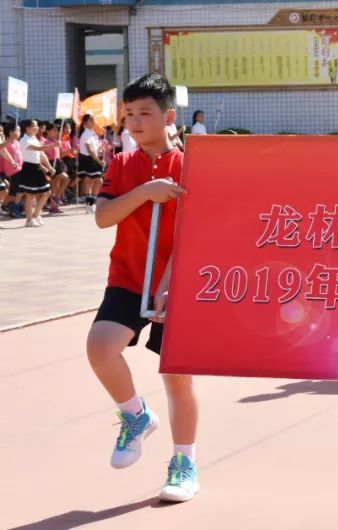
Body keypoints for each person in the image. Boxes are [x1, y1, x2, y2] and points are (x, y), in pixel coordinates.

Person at [86, 73, 198, 503]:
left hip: (176, 284)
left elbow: (192, 232)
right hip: (129, 277)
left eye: (144, 113)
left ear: (169, 116)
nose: (134, 121)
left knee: (177, 377)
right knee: (100, 346)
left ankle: (184, 462)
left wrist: (169, 286)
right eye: (128, 114)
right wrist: (147, 192)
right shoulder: (121, 164)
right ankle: (135, 415)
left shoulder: (190, 164)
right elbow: (103, 217)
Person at [18, 119, 53, 228]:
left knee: (46, 192)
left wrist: (49, 167)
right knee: (30, 195)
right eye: (34, 126)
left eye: (37, 125)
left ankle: (36, 215)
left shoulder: (34, 139)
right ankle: (29, 220)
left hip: (37, 168)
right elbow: (39, 149)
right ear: (27, 128)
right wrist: (53, 146)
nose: (36, 127)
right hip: (28, 168)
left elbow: (42, 154)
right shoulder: (24, 140)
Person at [78, 113, 105, 207]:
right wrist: (99, 161)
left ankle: (91, 202)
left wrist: (102, 145)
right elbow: (90, 150)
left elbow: (96, 148)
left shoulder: (92, 133)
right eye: (90, 120)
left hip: (92, 158)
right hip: (88, 159)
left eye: (93, 119)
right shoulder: (86, 134)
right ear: (85, 123)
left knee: (94, 181)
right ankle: (90, 202)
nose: (93, 121)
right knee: (93, 180)